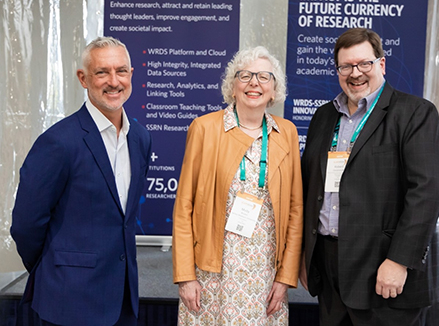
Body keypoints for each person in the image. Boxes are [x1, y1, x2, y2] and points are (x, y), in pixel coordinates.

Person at [300, 28, 439, 326]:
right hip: (329, 268)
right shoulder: (324, 117)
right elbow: (310, 188)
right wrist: (307, 256)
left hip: (384, 269)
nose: (355, 73)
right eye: (346, 66)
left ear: (381, 64)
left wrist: (399, 261)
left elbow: (426, 193)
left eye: (364, 64)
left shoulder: (415, 114)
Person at [10, 37, 152, 326]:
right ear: (83, 78)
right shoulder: (58, 142)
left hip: (123, 302)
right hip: (69, 300)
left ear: (132, 75)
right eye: (102, 72)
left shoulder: (140, 138)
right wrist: (56, 268)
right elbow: (26, 224)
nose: (114, 81)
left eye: (121, 71)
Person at [172, 46, 303, 325]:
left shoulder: (287, 133)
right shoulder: (204, 129)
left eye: (264, 77)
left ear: (274, 89)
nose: (254, 83)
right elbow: (184, 206)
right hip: (210, 275)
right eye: (245, 75)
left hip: (265, 278)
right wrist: (185, 276)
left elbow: (295, 210)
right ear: (232, 87)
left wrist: (285, 278)